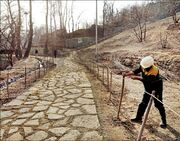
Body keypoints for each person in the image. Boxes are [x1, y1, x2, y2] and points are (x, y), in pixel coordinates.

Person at [123, 56, 167, 128]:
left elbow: (147, 80)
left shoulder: (154, 71)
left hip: (156, 88)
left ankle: (164, 122)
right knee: (143, 103)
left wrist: (136, 78)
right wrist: (128, 73)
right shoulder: (144, 65)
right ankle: (138, 118)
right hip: (148, 88)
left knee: (158, 104)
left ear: (149, 66)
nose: (143, 68)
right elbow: (136, 71)